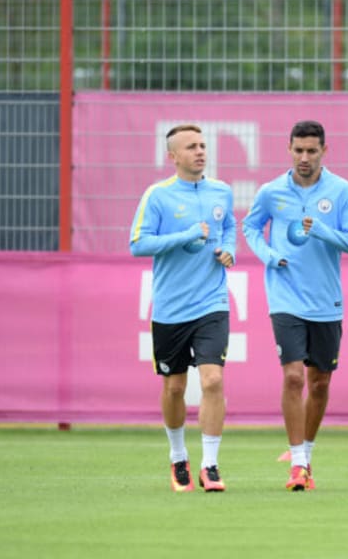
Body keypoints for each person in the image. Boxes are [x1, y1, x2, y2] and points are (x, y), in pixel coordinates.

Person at [242, 120, 348, 491]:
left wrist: (321, 229)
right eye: (298, 150)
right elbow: (250, 227)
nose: (304, 157)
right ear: (289, 149)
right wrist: (268, 255)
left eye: (312, 151)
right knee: (294, 375)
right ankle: (297, 464)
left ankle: (306, 452)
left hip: (326, 301)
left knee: (320, 381)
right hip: (285, 296)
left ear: (324, 152)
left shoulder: (341, 191)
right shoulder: (271, 192)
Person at [130, 124, 236, 493]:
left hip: (212, 302)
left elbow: (229, 229)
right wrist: (188, 234)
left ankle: (210, 465)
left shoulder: (221, 190)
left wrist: (229, 251)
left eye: (203, 145)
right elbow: (138, 244)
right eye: (191, 147)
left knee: (213, 379)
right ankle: (179, 458)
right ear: (173, 156)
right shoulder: (157, 196)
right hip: (171, 309)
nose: (200, 151)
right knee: (174, 387)